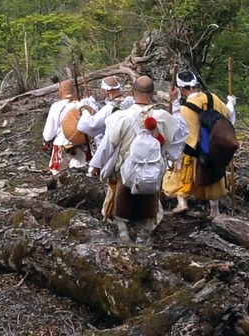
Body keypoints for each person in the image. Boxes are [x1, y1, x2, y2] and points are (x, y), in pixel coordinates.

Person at [88, 75, 187, 245]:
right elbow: (180, 135)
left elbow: (107, 145)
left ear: (133, 93)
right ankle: (144, 235)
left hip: (124, 168)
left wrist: (95, 165)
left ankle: (124, 234)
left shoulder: (120, 117)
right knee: (150, 200)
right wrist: (176, 103)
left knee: (120, 199)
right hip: (153, 169)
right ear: (153, 94)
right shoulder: (163, 117)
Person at [163, 70, 237, 217]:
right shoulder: (213, 98)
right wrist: (231, 102)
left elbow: (179, 128)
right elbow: (228, 114)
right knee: (214, 177)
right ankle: (214, 211)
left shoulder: (185, 108)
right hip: (214, 147)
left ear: (181, 89)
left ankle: (182, 203)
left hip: (193, 149)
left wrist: (175, 103)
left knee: (181, 175)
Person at [42, 79, 88, 174]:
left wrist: (46, 142)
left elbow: (48, 133)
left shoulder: (56, 106)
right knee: (83, 172)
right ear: (74, 91)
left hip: (61, 145)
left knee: (57, 175)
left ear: (60, 92)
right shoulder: (82, 104)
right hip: (81, 143)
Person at [75, 76, 134, 150]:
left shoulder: (108, 109)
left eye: (102, 89)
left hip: (117, 145)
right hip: (131, 141)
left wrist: (83, 109)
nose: (100, 91)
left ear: (107, 91)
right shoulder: (130, 101)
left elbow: (90, 124)